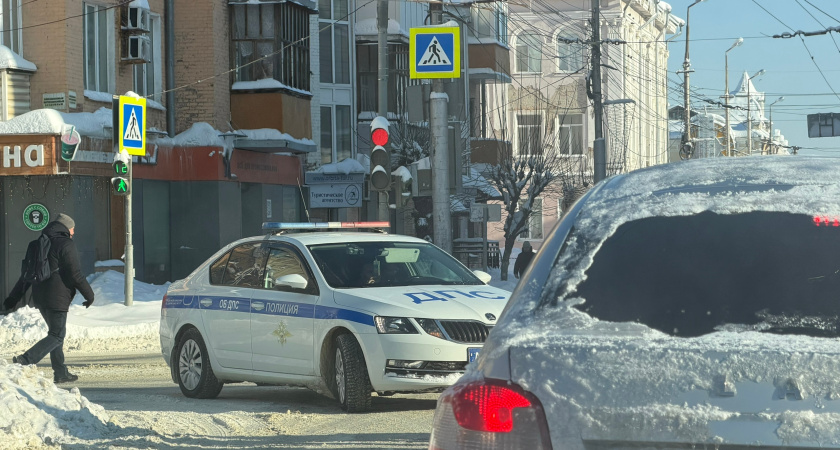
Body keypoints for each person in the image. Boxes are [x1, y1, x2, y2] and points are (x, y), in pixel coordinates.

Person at [5, 214, 95, 383]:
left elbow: (26, 276)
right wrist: (89, 295)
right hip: (58, 297)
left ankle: (60, 372)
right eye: (73, 228)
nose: (74, 232)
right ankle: (26, 360)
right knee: (57, 335)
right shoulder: (66, 244)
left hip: (40, 297)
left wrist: (13, 298)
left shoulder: (37, 244)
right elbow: (75, 274)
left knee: (55, 334)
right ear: (66, 228)